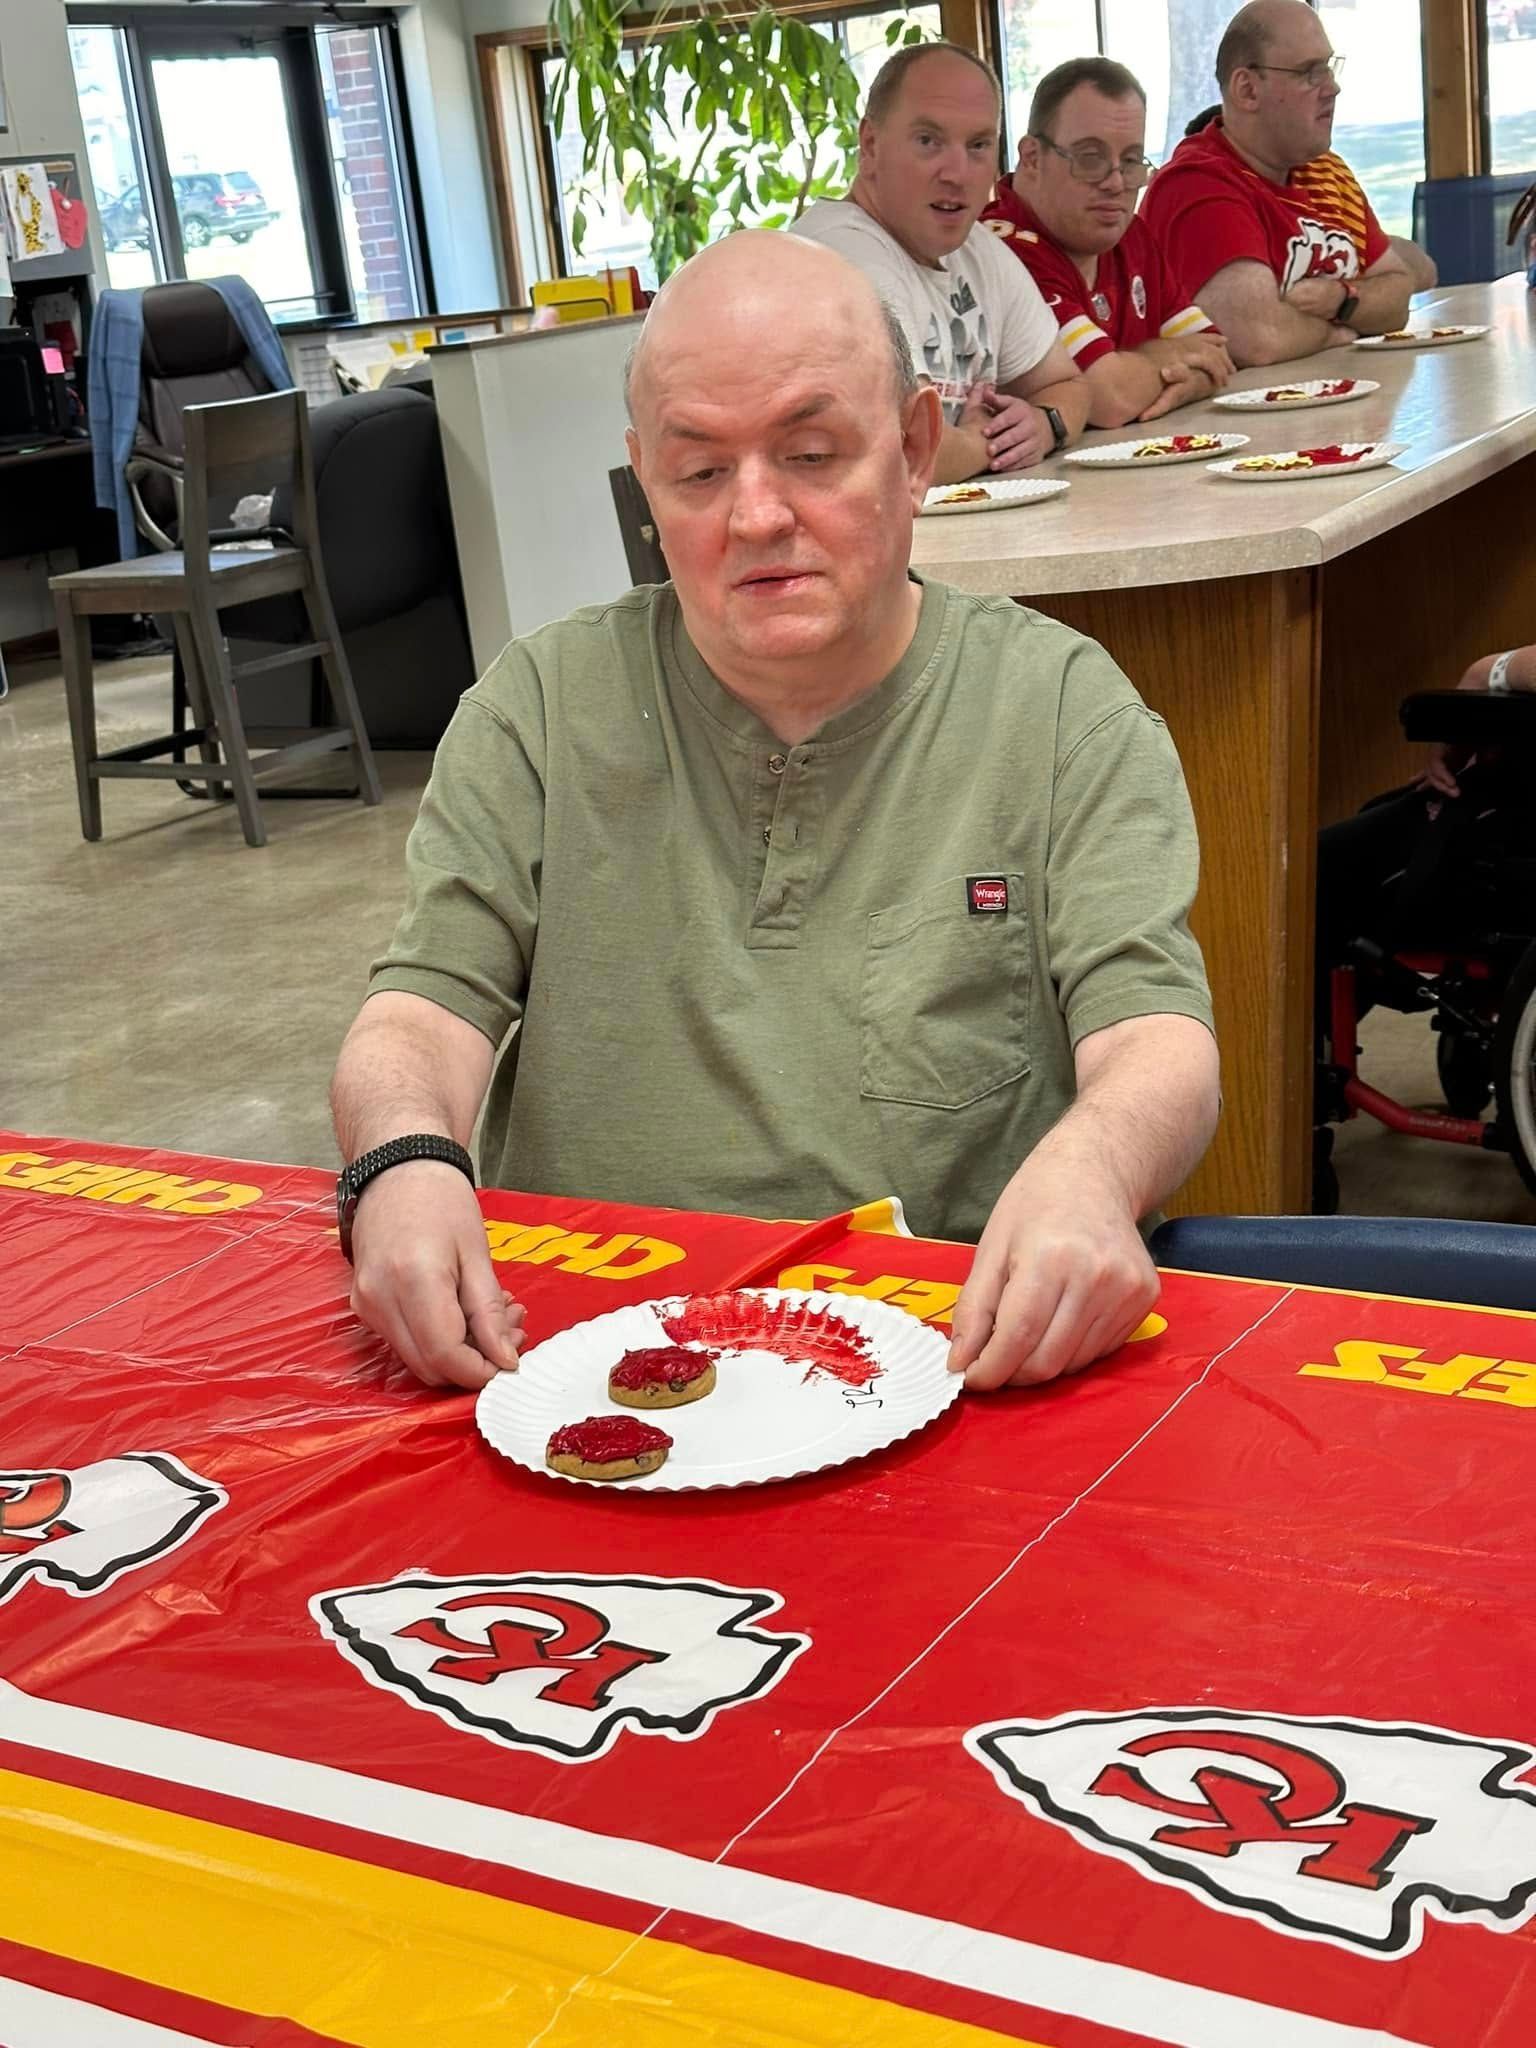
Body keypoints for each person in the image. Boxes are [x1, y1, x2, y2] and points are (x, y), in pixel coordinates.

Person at [331, 231, 1219, 1397]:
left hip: (940, 1358)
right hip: (583, 1359)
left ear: (912, 448)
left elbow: (1156, 1037)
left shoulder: (1060, 713)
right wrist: (400, 1163)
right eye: (700, 473)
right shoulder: (539, 706)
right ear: (645, 478)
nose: (755, 516)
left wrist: (1095, 1172)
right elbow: (421, 1007)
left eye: (809, 454)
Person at [793, 42, 1090, 483]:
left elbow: (1067, 385)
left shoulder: (976, 247)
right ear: (870, 145)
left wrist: (1043, 426)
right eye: (928, 141)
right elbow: (897, 450)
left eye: (978, 145)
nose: (957, 173)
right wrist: (984, 445)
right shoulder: (842, 254)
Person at [1140, 0, 1414, 366]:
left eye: (1329, 68)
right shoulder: (1197, 182)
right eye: (1310, 73)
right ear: (1247, 90)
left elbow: (1398, 297)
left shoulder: (1327, 170)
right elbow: (1258, 338)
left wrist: (1339, 298)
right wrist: (1340, 332)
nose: (1332, 88)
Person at [981, 57, 1234, 429]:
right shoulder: (1004, 249)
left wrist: (1163, 375)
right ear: (1032, 158)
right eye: (1090, 158)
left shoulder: (1129, 232)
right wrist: (1164, 356)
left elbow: (1217, 354)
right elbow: (1105, 399)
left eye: (1131, 160)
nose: (1115, 183)